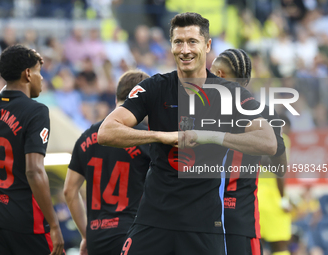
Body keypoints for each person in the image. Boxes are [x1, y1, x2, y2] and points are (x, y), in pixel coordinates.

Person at [98, 12, 277, 255]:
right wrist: (161, 136)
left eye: (192, 41)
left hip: (203, 225)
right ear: (170, 45)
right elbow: (106, 132)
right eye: (178, 42)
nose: (185, 50)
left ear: (207, 45)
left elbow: (268, 142)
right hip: (154, 219)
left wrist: (211, 135)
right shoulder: (154, 87)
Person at [64, 70, 151, 255]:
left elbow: (69, 190)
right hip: (132, 234)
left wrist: (86, 234)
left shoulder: (85, 137)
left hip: (97, 236)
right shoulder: (145, 136)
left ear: (116, 97)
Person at [0, 44, 64, 255]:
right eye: (39, 72)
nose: (42, 79)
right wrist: (55, 224)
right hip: (25, 220)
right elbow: (34, 170)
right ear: (28, 74)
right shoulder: (36, 111)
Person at [210, 48, 288, 255]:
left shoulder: (197, 110)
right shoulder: (264, 114)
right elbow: (279, 166)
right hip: (240, 215)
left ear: (219, 74)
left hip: (202, 214)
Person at [258, 115, 292, 255]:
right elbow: (280, 173)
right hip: (273, 198)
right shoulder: (282, 139)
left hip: (256, 196)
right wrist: (283, 200)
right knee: (280, 245)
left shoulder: (259, 139)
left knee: (258, 242)